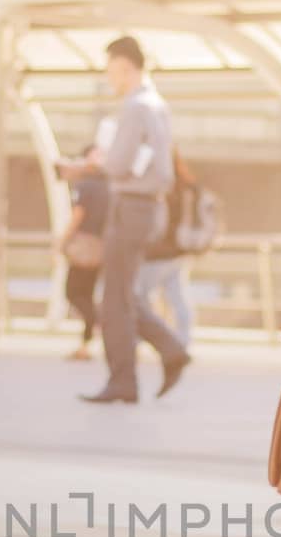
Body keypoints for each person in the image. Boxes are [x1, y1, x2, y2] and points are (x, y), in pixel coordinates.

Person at [77, 35, 191, 405]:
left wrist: (94, 163)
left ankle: (124, 378)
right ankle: (169, 350)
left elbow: (119, 163)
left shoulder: (135, 107)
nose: (111, 81)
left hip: (131, 207)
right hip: (149, 207)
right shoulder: (158, 105)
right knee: (122, 292)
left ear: (126, 68)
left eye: (112, 73)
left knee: (113, 297)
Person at [135, 150, 198, 349]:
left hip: (155, 254)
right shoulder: (187, 187)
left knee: (142, 298)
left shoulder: (159, 186)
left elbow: (153, 225)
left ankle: (153, 339)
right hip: (179, 252)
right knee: (178, 298)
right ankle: (183, 341)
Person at [58, 144, 109, 361]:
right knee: (87, 293)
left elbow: (78, 215)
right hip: (103, 245)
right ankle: (85, 344)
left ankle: (96, 320)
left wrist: (62, 242)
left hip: (84, 245)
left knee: (73, 292)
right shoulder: (110, 186)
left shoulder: (84, 186)